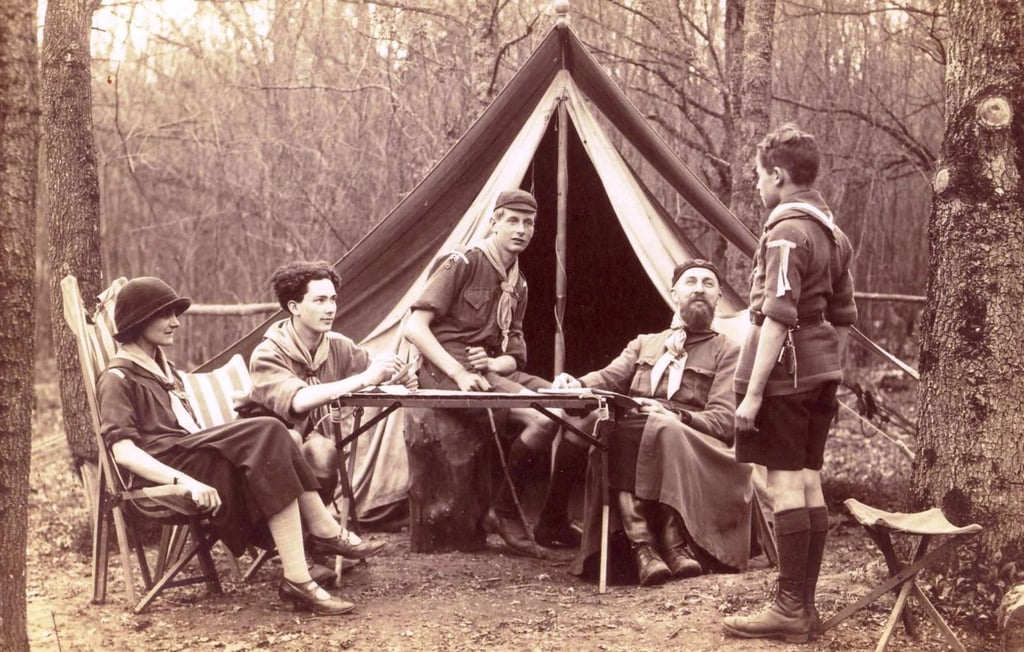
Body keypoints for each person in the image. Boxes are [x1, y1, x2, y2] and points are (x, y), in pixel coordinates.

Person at [97, 277, 370, 616]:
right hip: (168, 470)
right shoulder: (117, 378)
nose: (176, 322)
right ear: (138, 320)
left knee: (274, 438)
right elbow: (123, 452)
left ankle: (300, 573)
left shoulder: (161, 370)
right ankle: (321, 532)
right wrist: (186, 482)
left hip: (190, 456)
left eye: (174, 314)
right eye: (164, 315)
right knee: (269, 430)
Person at [722, 124, 857, 643]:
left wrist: (753, 394)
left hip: (782, 378)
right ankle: (802, 605)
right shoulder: (832, 231)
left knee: (782, 486)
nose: (758, 187)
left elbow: (776, 316)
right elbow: (843, 315)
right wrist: (829, 372)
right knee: (807, 482)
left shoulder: (785, 232)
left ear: (778, 176)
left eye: (759, 177)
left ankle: (789, 608)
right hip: (820, 375)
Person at [404, 189, 585, 557]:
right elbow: (415, 328)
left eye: (528, 223)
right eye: (512, 221)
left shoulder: (518, 283)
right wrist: (458, 372)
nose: (521, 230)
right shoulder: (463, 263)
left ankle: (552, 517)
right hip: (445, 372)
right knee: (540, 420)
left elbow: (514, 356)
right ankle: (503, 510)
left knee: (570, 407)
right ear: (494, 222)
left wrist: (492, 363)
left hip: (488, 372)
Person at [560, 260, 754, 586]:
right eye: (690, 282)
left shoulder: (728, 351)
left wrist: (676, 415)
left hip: (697, 445)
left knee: (657, 427)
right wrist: (575, 384)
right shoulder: (644, 343)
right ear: (674, 292)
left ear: (719, 296)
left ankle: (664, 544)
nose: (699, 289)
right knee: (614, 427)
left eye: (708, 284)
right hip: (638, 432)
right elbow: (607, 379)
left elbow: (723, 423)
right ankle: (648, 549)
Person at [244, 260, 415, 557]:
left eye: (333, 299)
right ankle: (302, 541)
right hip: (259, 450)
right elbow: (297, 400)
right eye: (320, 300)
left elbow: (374, 366)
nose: (331, 308)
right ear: (294, 307)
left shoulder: (336, 345)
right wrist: (363, 380)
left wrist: (398, 373)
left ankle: (312, 540)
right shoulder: (269, 352)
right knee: (300, 444)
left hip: (306, 443)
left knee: (323, 452)